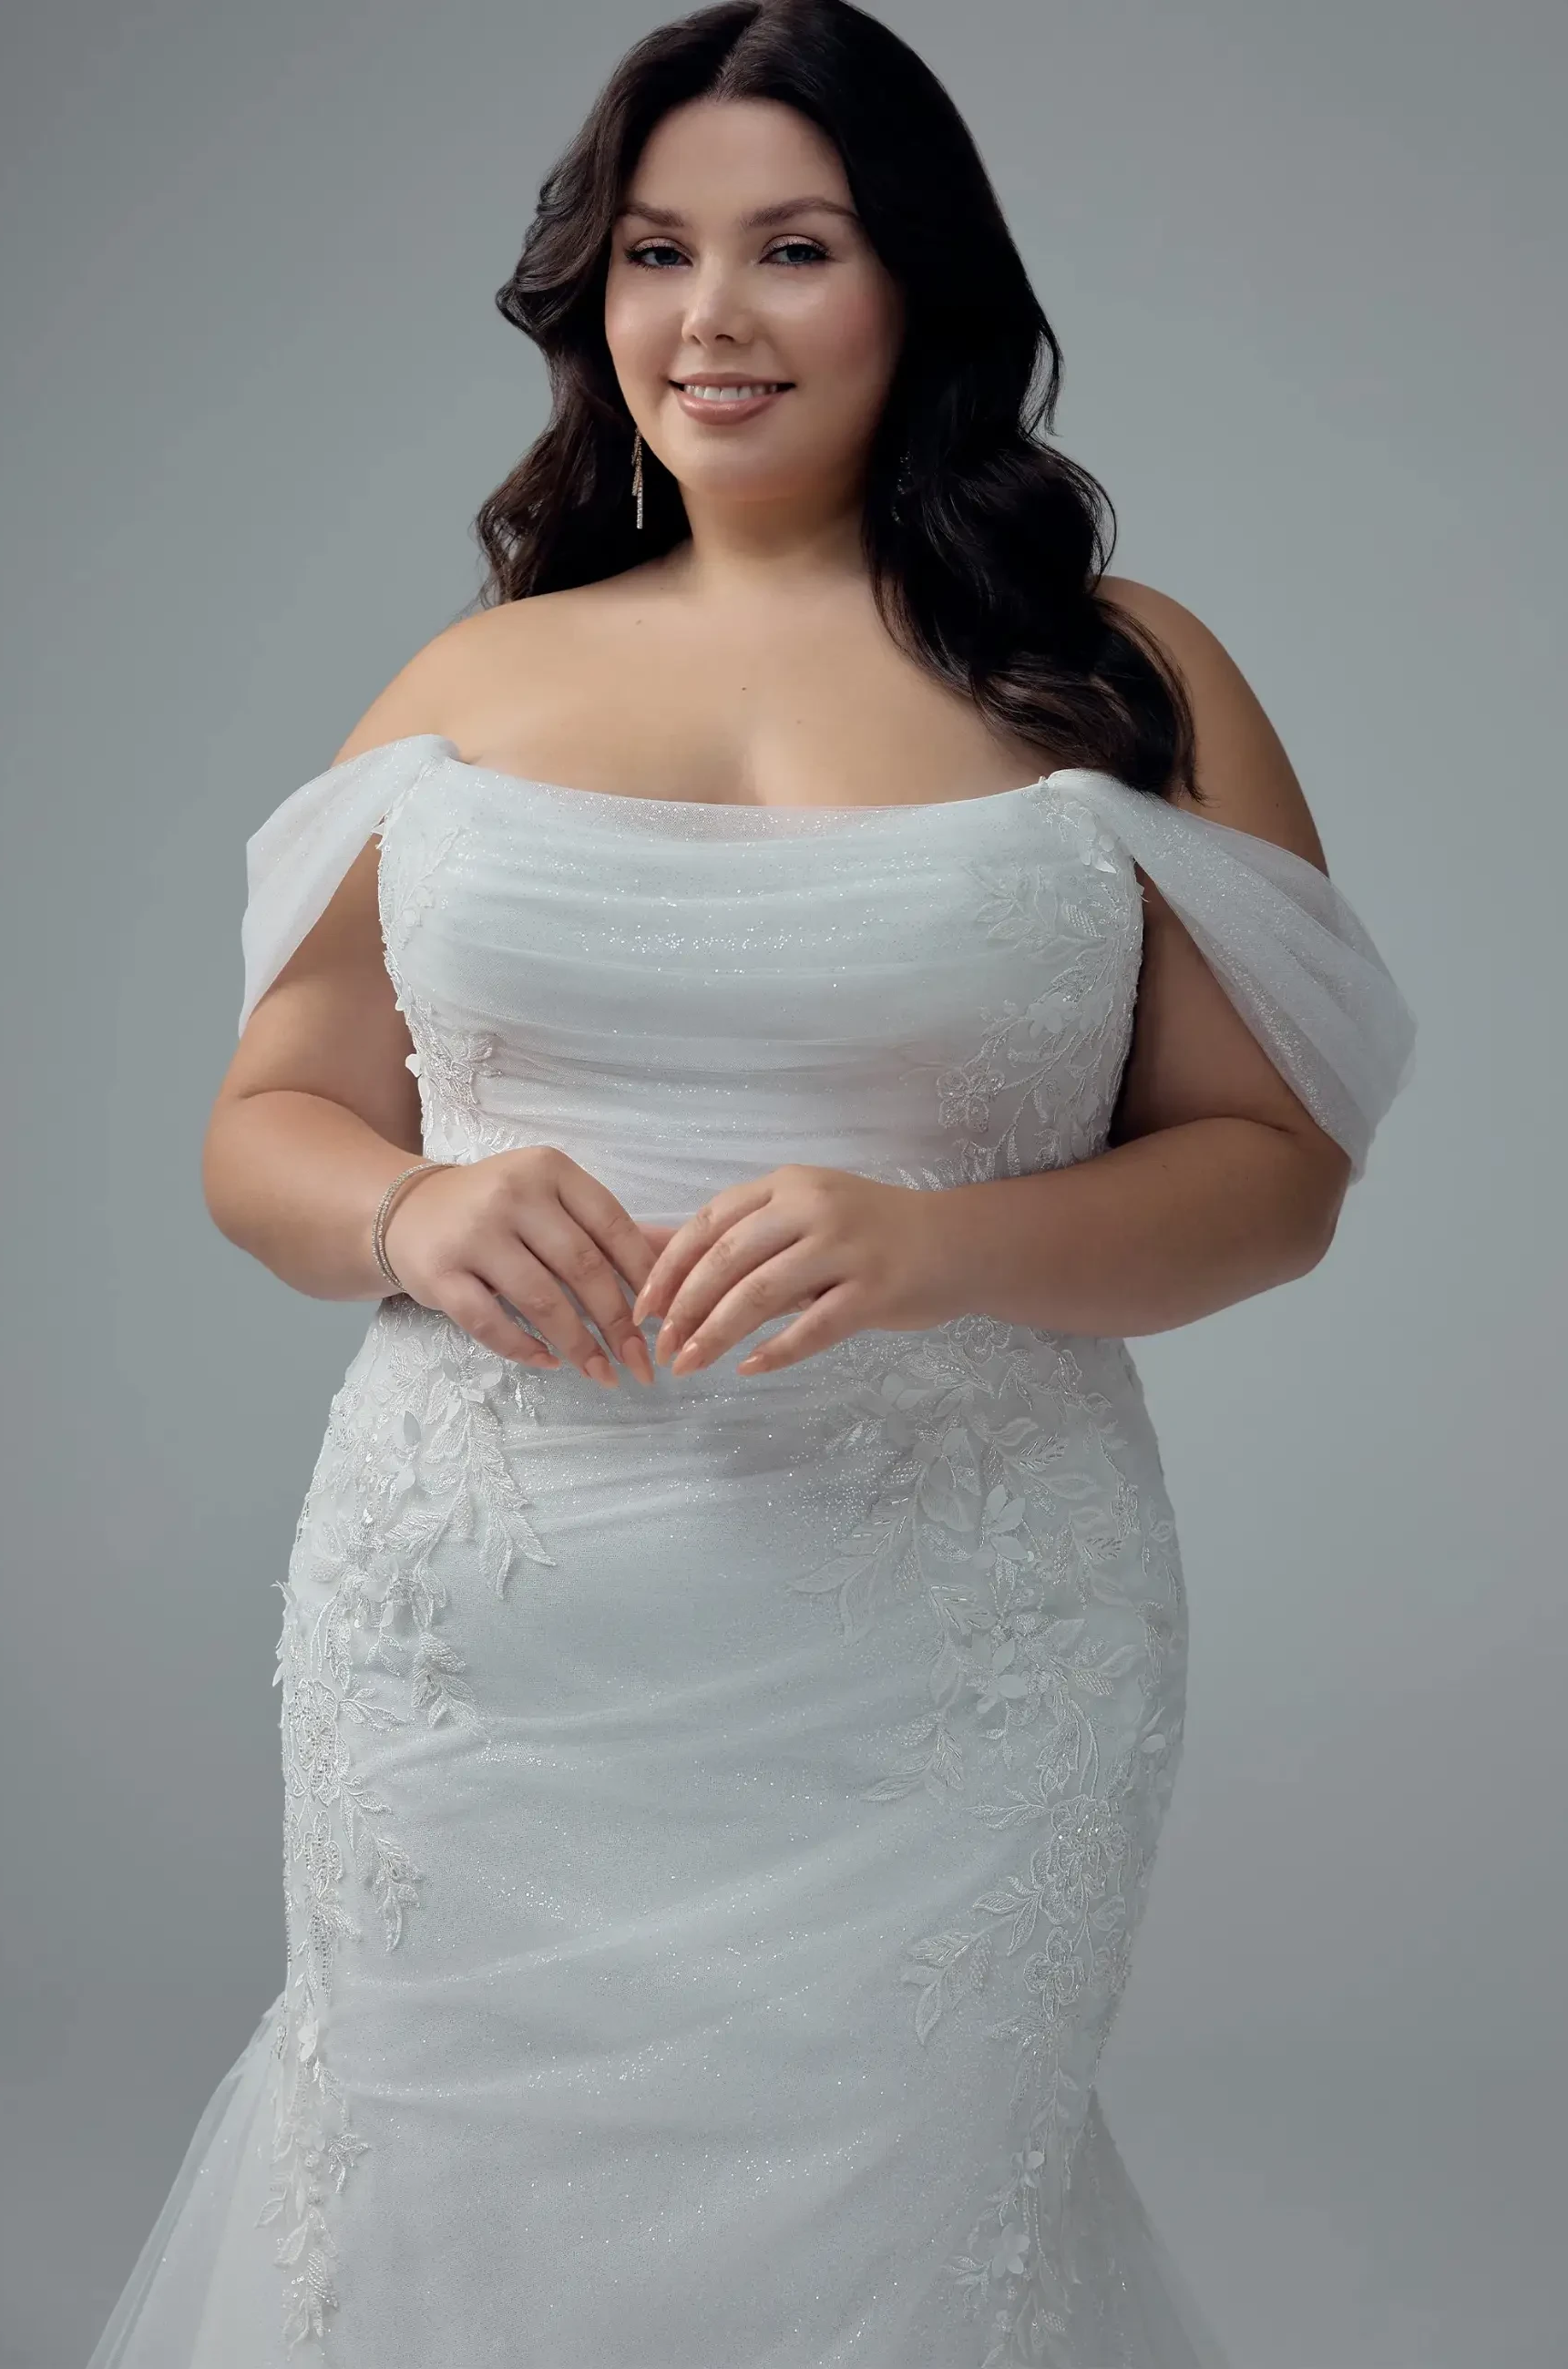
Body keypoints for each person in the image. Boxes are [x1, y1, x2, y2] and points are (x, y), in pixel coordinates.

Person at [86, 4, 1416, 2364]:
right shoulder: (471, 683)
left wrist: (943, 1242)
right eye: (653, 252)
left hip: (949, 1643)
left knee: (911, 2236)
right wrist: (407, 1215)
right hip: (484, 1633)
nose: (709, 316)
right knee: (434, 2226)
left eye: (792, 247)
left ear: (920, 283)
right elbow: (264, 1118)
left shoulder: (1119, 676)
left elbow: (1270, 1179)